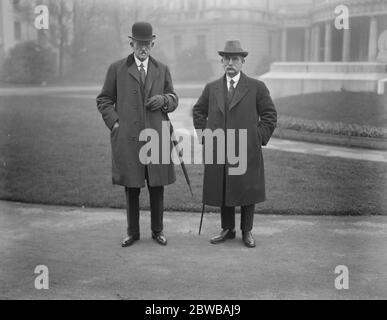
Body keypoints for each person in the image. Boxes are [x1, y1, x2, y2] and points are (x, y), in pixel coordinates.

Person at [97, 22, 178, 247]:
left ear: (153, 43)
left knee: (157, 185)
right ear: (131, 43)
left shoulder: (162, 69)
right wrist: (115, 124)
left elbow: (174, 98)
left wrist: (165, 100)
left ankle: (157, 231)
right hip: (129, 137)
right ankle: (132, 233)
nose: (143, 47)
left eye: (147, 43)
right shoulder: (117, 69)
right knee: (131, 187)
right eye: (139, 43)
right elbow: (104, 100)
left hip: (156, 137)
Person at [193, 40, 277, 248]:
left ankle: (246, 231)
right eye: (227, 59)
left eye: (235, 59)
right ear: (222, 61)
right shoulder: (212, 88)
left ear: (242, 62)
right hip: (220, 148)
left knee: (247, 189)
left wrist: (257, 137)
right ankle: (227, 229)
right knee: (224, 188)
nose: (230, 62)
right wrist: (206, 136)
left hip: (246, 149)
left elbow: (269, 115)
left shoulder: (256, 87)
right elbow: (198, 112)